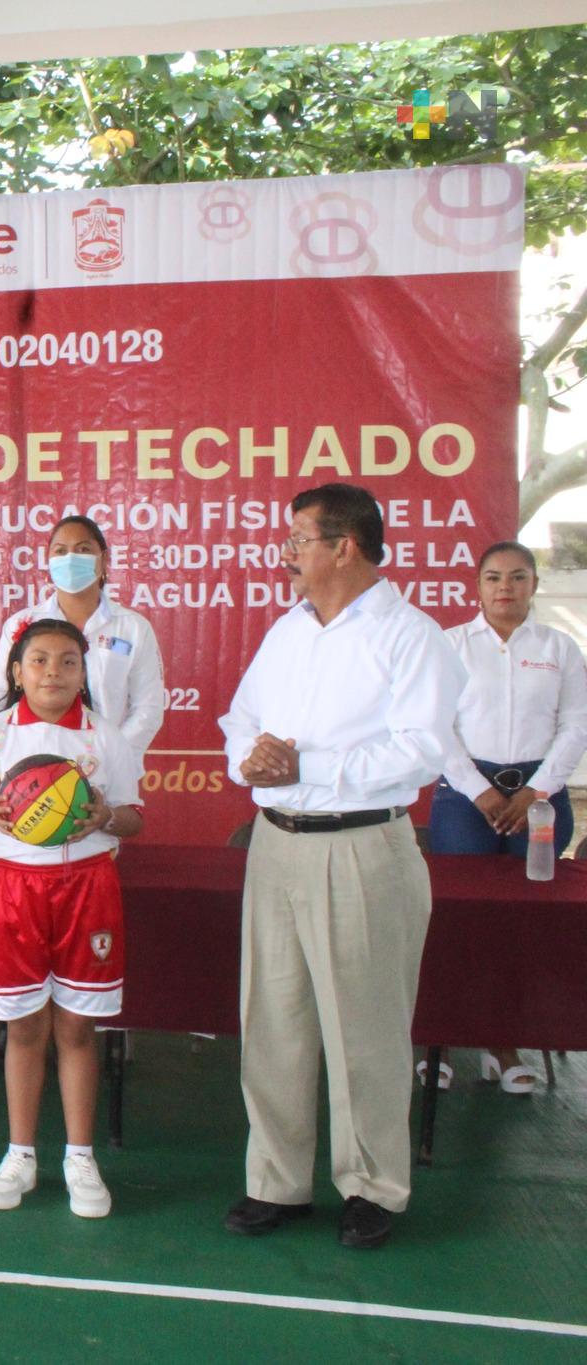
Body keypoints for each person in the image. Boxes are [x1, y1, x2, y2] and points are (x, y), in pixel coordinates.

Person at [217, 483, 465, 1252]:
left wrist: (305, 763)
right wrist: (253, 759)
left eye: (299, 539)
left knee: (364, 1027)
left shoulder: (410, 635)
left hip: (362, 844)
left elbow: (421, 748)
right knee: (273, 1017)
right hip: (276, 842)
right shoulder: (288, 631)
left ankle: (371, 1186)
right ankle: (277, 1180)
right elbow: (242, 717)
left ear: (344, 546)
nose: (289, 554)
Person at [0, 618, 145, 1219]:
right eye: (39, 660)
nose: (53, 672)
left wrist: (105, 817)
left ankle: (80, 1158)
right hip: (13, 889)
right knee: (24, 1028)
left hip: (87, 888)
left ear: (84, 672)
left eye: (68, 661)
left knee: (77, 1029)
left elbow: (136, 816)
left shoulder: (105, 736)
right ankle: (20, 1154)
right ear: (17, 671)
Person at [430, 540, 587, 1093]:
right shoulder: (449, 646)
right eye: (494, 577)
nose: (506, 588)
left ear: (534, 585)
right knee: (456, 923)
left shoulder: (560, 648)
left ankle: (502, 1044)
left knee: (522, 926)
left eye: (519, 577)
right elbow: (435, 727)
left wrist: (537, 791)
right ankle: (439, 1041)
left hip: (540, 800)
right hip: (465, 800)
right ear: (476, 586)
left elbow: (576, 725)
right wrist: (479, 792)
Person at [0, 515, 166, 757]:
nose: (70, 559)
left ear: (104, 559)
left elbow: (148, 709)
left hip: (109, 770)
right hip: (30, 767)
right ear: (49, 561)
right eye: (60, 551)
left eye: (83, 549)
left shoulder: (133, 628)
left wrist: (108, 759)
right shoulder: (21, 624)